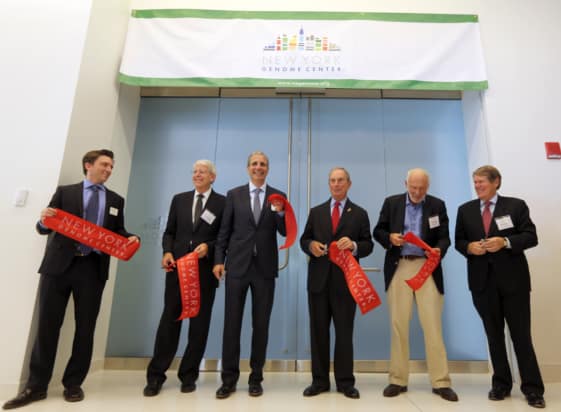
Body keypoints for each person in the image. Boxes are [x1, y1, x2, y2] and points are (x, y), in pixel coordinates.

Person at [3, 149, 139, 410]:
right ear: (88, 165)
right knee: (47, 326)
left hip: (92, 269)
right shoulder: (65, 192)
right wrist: (43, 221)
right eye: (105, 165)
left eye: (112, 166)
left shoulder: (116, 200)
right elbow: (45, 226)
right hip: (59, 268)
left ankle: (73, 384)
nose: (109, 170)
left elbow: (118, 231)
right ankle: (36, 386)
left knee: (85, 328)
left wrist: (131, 237)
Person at [455, 165, 545, 409]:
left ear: (496, 182)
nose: (477, 186)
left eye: (482, 182)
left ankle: (533, 389)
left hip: (513, 283)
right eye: (475, 182)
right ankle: (501, 384)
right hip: (482, 283)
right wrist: (468, 248)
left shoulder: (515, 206)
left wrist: (504, 241)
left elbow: (530, 236)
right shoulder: (465, 210)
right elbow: (459, 241)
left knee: (521, 337)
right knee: (493, 336)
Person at [373, 168, 458, 402]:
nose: (417, 192)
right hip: (400, 265)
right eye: (413, 187)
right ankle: (397, 379)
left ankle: (441, 381)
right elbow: (377, 231)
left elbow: (444, 236)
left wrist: (440, 249)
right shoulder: (392, 203)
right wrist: (389, 238)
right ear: (406, 184)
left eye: (422, 188)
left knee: (432, 325)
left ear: (427, 187)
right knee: (399, 324)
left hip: (427, 267)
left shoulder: (437, 205)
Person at [143, 160, 225, 397]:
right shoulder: (179, 199)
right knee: (169, 321)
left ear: (212, 177)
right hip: (178, 270)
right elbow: (169, 232)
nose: (197, 175)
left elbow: (222, 237)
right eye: (195, 172)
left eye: (203, 172)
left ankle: (189, 376)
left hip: (204, 274)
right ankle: (155, 376)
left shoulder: (222, 203)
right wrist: (167, 252)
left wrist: (208, 248)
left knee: (199, 327)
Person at [212, 151, 286, 399]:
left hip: (264, 270)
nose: (258, 167)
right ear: (247, 168)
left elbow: (285, 231)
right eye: (254, 164)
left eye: (263, 164)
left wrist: (280, 212)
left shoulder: (278, 196)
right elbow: (224, 231)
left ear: (268, 168)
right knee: (231, 325)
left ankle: (256, 378)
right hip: (237, 267)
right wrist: (218, 260)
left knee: (261, 325)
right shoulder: (234, 195)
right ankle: (228, 380)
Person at [299, 167, 373, 399]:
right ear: (329, 184)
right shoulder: (316, 211)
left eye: (341, 180)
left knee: (344, 332)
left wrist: (353, 245)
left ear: (349, 184)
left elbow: (368, 245)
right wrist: (310, 246)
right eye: (332, 180)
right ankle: (319, 381)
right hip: (318, 282)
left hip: (346, 283)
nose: (336, 184)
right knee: (318, 332)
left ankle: (345, 382)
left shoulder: (359, 213)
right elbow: (304, 239)